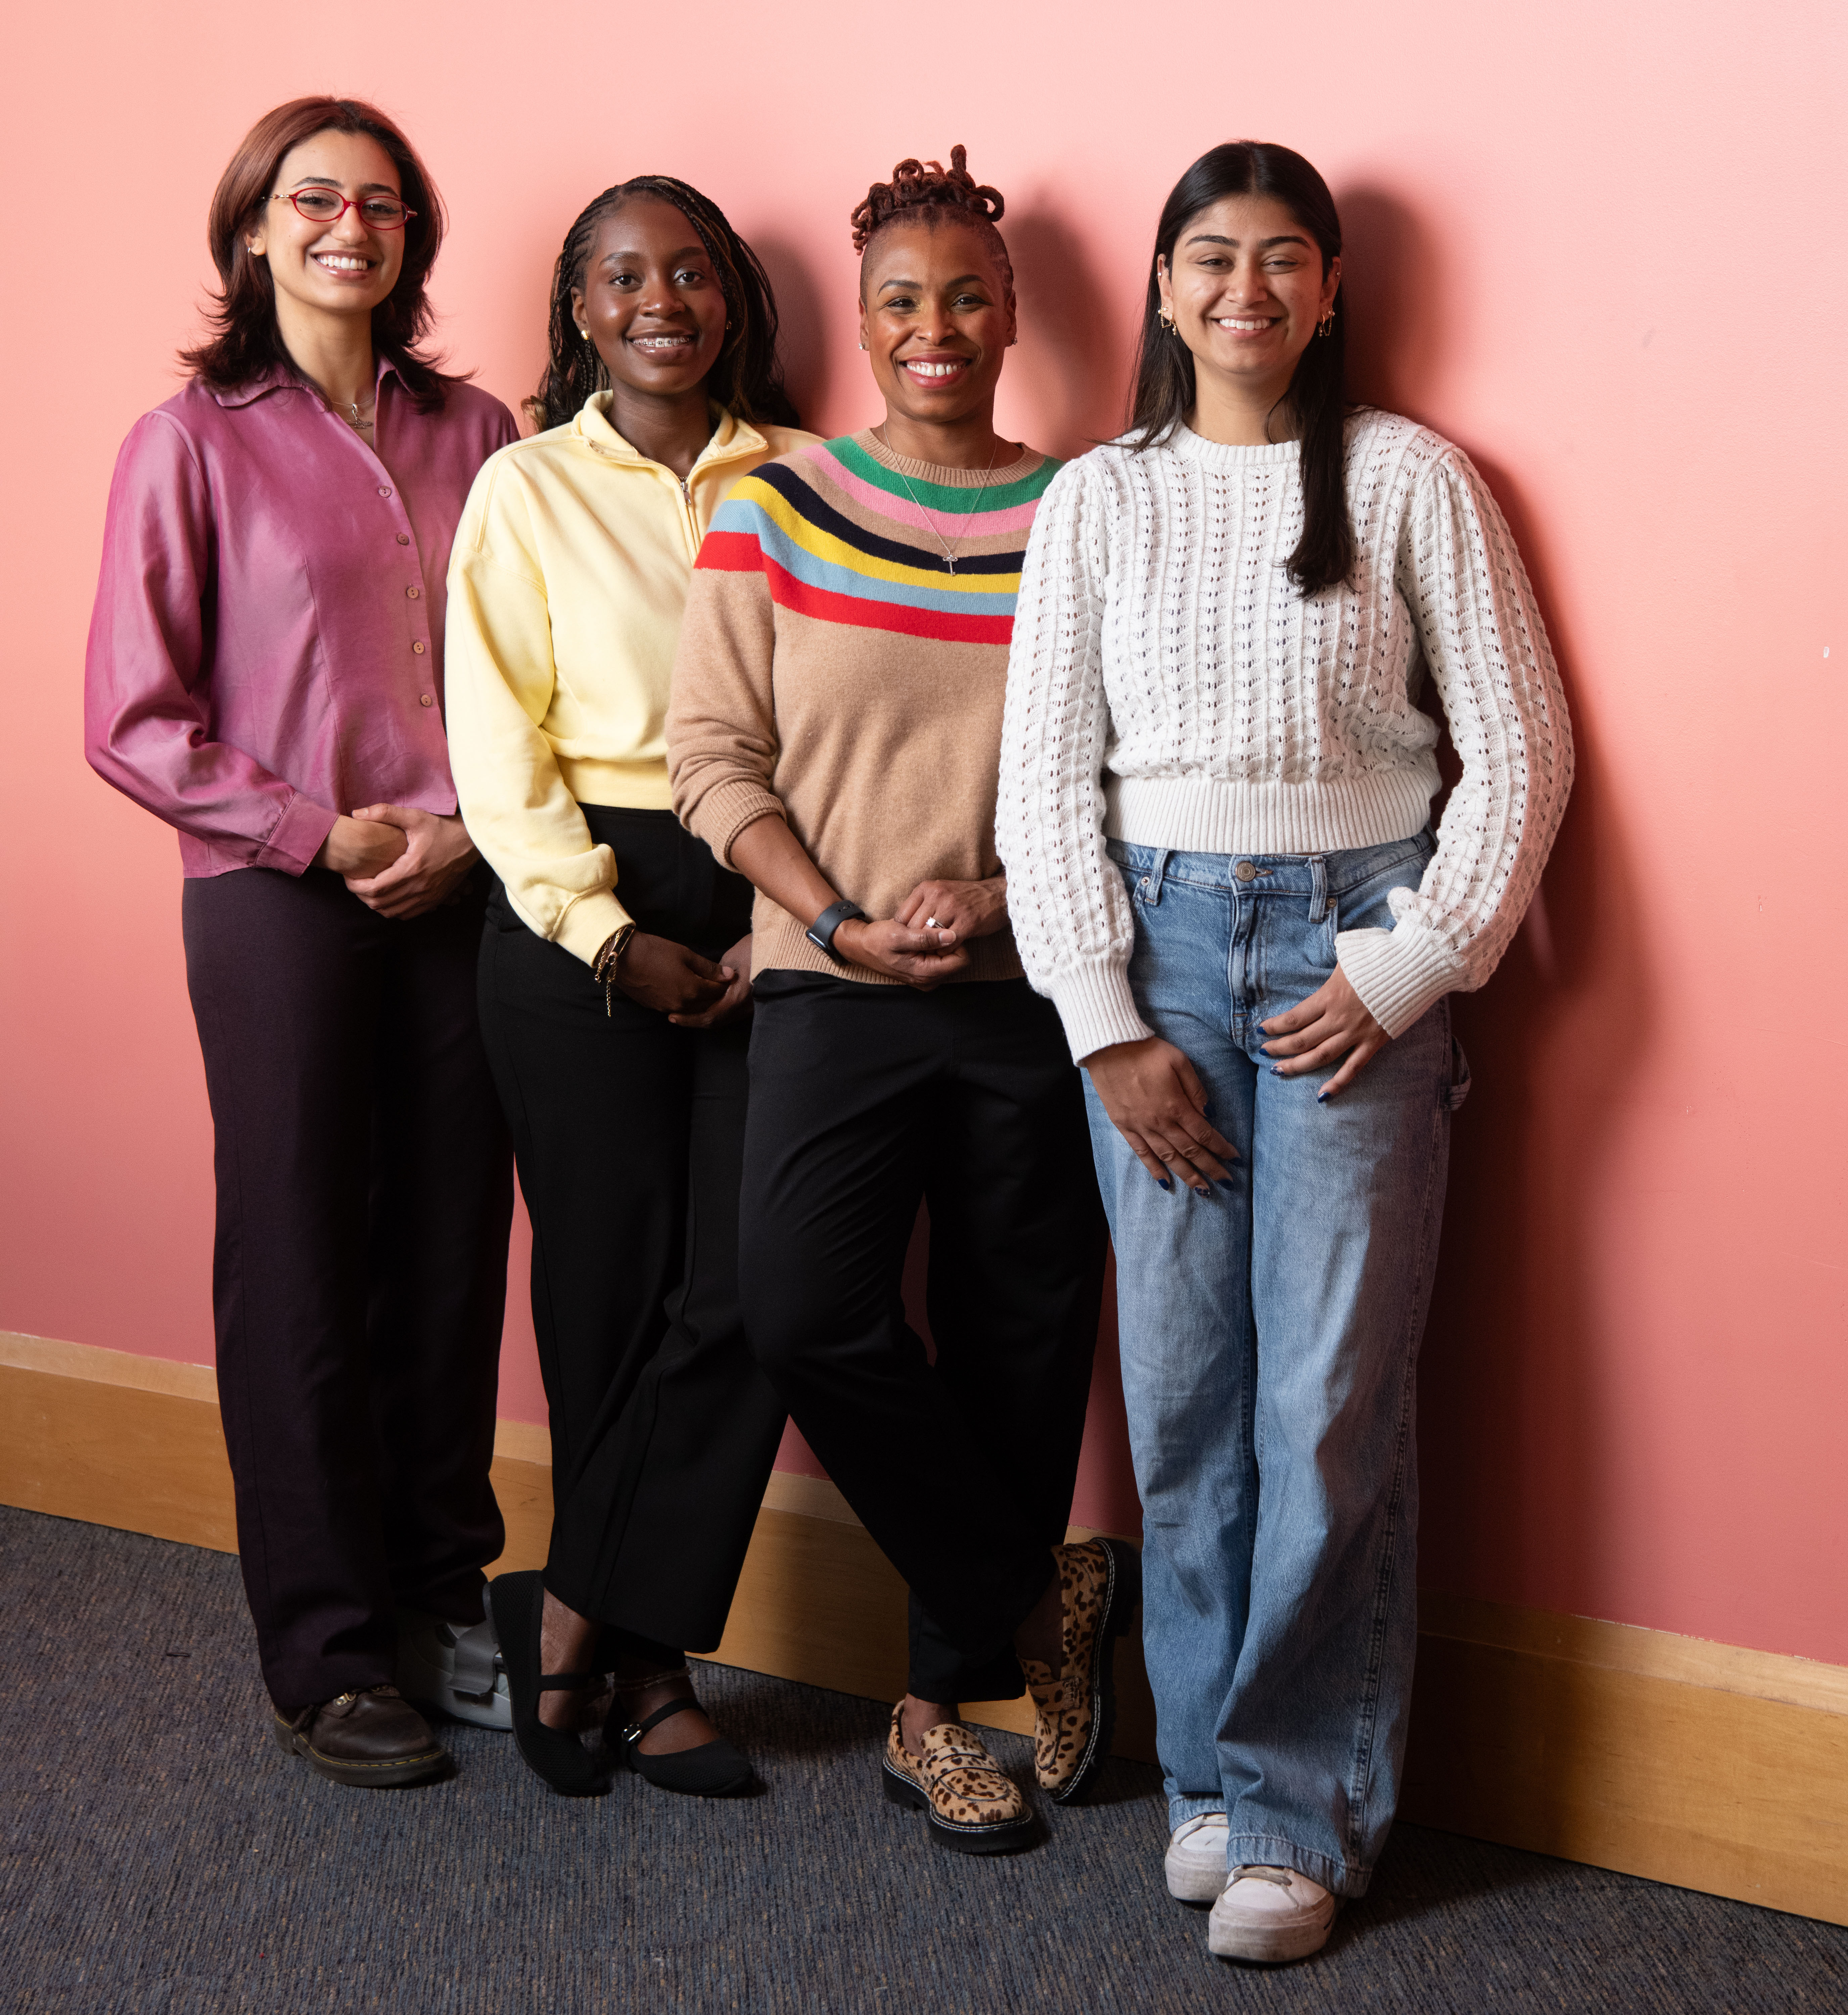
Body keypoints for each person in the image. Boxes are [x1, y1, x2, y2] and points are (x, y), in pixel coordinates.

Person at [998, 140, 1572, 1957]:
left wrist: (1414, 967)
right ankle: (1209, 1787)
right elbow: (1043, 784)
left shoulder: (1411, 480)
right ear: (1165, 288)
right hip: (1159, 951)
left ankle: (1301, 1815)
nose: (1245, 291)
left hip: (1353, 950)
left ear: (1330, 290)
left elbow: (1524, 751)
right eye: (1209, 259)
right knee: (1180, 1402)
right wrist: (1105, 1025)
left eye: (1283, 261)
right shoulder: (1101, 498)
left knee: (1325, 1404)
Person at [667, 148, 1129, 1857]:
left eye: (965, 298)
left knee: (1021, 1345)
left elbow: (1121, 771)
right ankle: (1038, 1600)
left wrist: (1004, 902)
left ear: (1013, 315)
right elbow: (709, 761)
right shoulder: (769, 502)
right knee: (806, 1312)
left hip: (1035, 986)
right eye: (898, 304)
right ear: (859, 325)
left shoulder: (1088, 509)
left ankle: (933, 1717)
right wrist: (843, 920)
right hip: (829, 983)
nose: (934, 328)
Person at [84, 96, 520, 1786]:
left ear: (412, 240)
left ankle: (435, 1592)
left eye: (385, 204)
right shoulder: (186, 439)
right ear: (253, 228)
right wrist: (310, 831)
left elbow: (522, 683)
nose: (352, 224)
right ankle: (325, 1647)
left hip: (460, 888)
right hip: (277, 900)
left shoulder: (476, 430)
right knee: (298, 1260)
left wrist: (467, 837)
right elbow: (134, 715)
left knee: (448, 1254)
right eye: (313, 198)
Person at [445, 178, 812, 1798]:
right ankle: (654, 1672)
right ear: (578, 313)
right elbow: (494, 746)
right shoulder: (522, 488)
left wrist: (788, 918)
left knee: (749, 1279)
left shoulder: (808, 477)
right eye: (619, 275)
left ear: (729, 298)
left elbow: (857, 700)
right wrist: (601, 933)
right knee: (603, 1293)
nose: (657, 295)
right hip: (574, 906)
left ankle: (577, 1606)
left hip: (775, 888)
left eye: (687, 269)